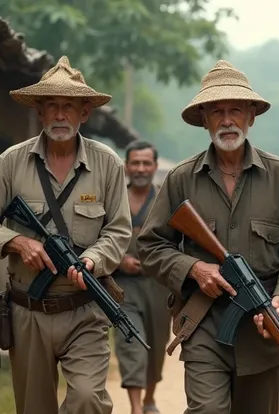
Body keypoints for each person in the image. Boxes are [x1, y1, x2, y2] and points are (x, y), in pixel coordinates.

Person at [136, 60, 279, 414]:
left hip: (263, 326)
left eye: (236, 110)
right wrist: (194, 269)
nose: (227, 120)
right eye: (217, 111)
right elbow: (151, 245)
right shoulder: (180, 178)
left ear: (251, 115)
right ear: (204, 118)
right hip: (204, 320)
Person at [0, 56, 132, 414]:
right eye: (52, 106)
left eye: (68, 107)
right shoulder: (11, 162)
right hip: (27, 310)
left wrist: (93, 258)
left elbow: (118, 231)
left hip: (85, 308)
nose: (60, 115)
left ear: (84, 113)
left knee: (88, 398)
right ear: (39, 112)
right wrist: (17, 241)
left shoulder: (107, 164)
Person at [113, 140, 171, 414]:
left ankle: (149, 400)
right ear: (126, 166)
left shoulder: (166, 201)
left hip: (159, 288)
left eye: (146, 163)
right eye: (135, 162)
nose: (140, 168)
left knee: (156, 348)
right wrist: (118, 261)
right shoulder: (113, 199)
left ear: (155, 167)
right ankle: (137, 408)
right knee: (131, 343)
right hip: (122, 287)